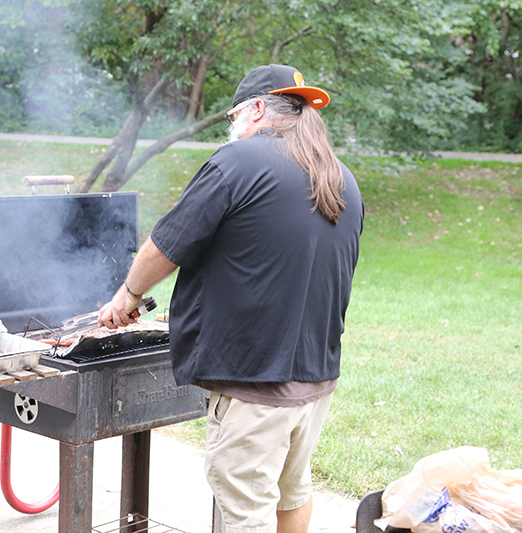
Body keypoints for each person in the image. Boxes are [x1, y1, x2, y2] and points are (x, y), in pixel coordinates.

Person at [98, 64, 364, 533]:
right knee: (292, 493)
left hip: (254, 383)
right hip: (315, 378)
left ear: (259, 108)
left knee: (246, 515)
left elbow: (167, 246)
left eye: (234, 114)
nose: (233, 126)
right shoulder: (341, 177)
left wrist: (128, 294)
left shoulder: (237, 162)